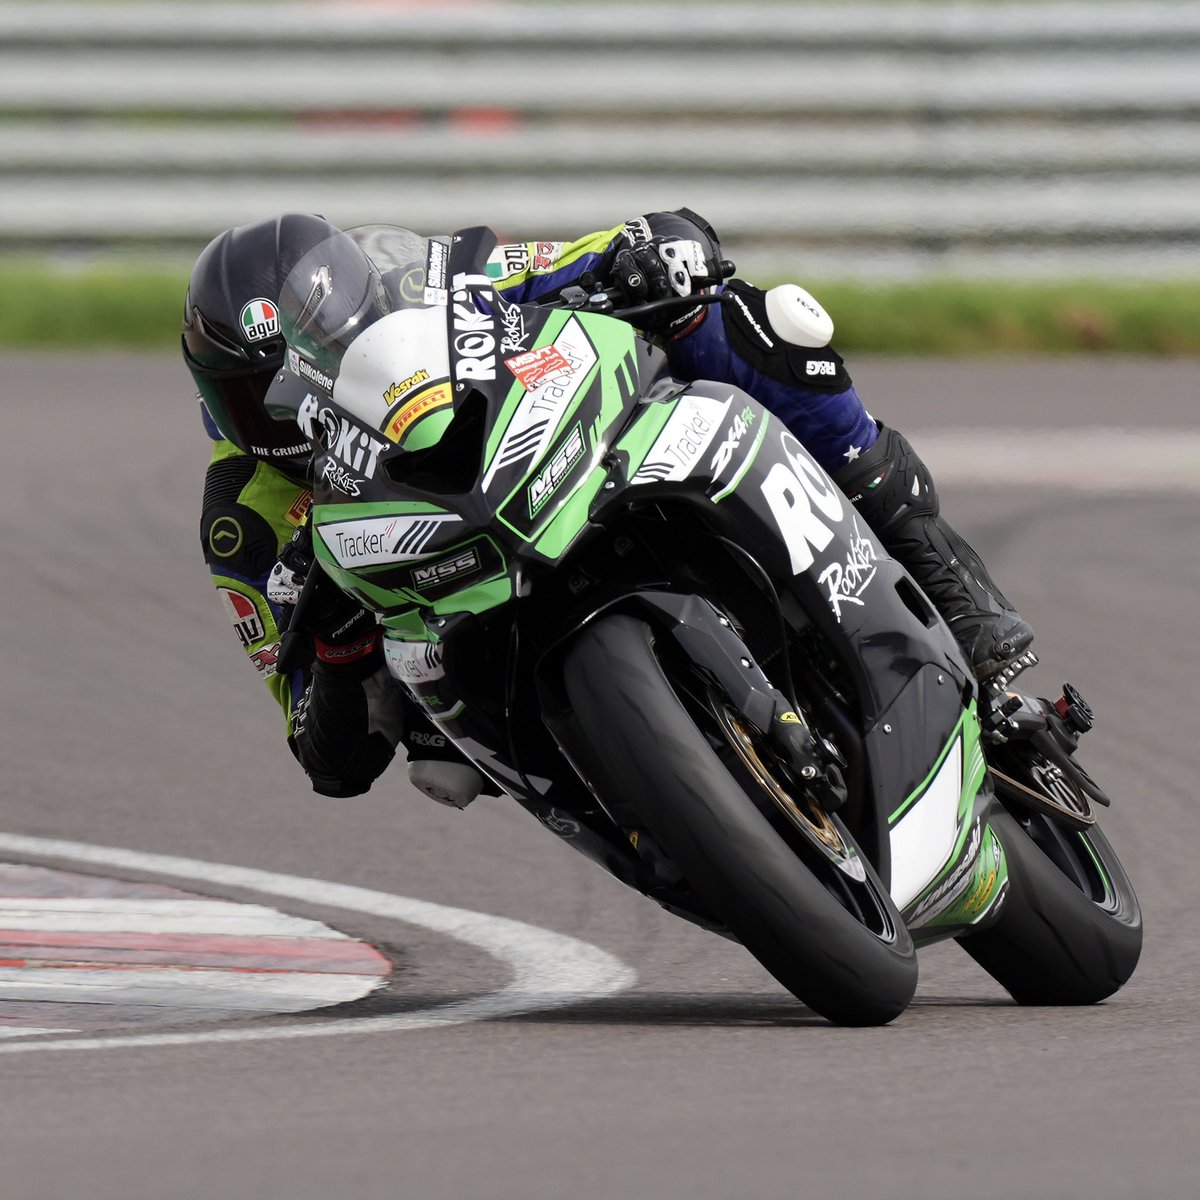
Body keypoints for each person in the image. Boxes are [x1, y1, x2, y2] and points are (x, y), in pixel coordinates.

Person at [183, 209, 1032, 803]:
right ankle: (653, 804)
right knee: (424, 754)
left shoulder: (432, 279)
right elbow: (325, 757)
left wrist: (649, 247)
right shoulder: (245, 519)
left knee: (728, 318)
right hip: (450, 640)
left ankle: (941, 574)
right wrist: (332, 655)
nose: (294, 411)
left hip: (535, 466)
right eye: (261, 400)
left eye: (298, 375)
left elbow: (574, 259)